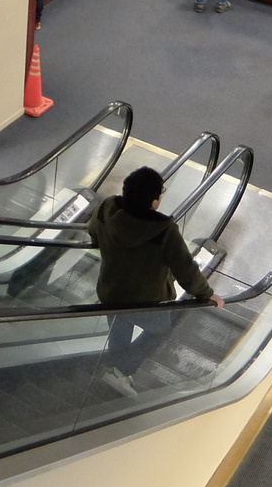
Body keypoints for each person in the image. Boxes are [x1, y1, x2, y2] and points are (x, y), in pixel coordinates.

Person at [88, 166, 223, 396]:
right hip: (145, 301)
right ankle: (122, 369)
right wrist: (206, 293)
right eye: (160, 193)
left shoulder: (105, 209)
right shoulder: (163, 230)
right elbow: (185, 269)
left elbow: (92, 231)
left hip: (111, 291)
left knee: (119, 326)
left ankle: (115, 370)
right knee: (161, 330)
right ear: (153, 202)